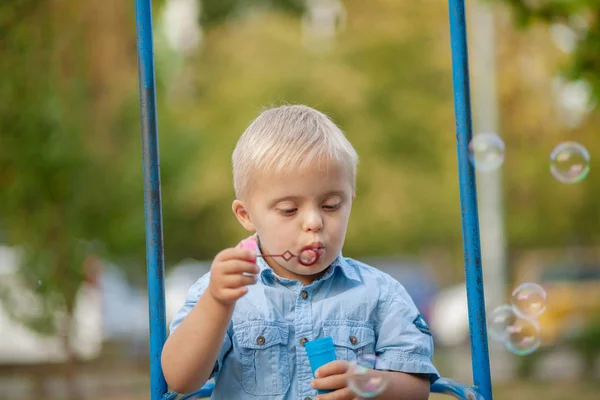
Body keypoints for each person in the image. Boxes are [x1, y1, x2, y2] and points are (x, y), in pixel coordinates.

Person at [161, 105, 439, 399]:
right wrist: (216, 303)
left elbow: (417, 387)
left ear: (350, 201)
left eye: (331, 205)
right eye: (289, 209)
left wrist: (368, 385)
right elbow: (181, 379)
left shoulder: (381, 293)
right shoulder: (221, 293)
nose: (314, 222)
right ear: (245, 215)